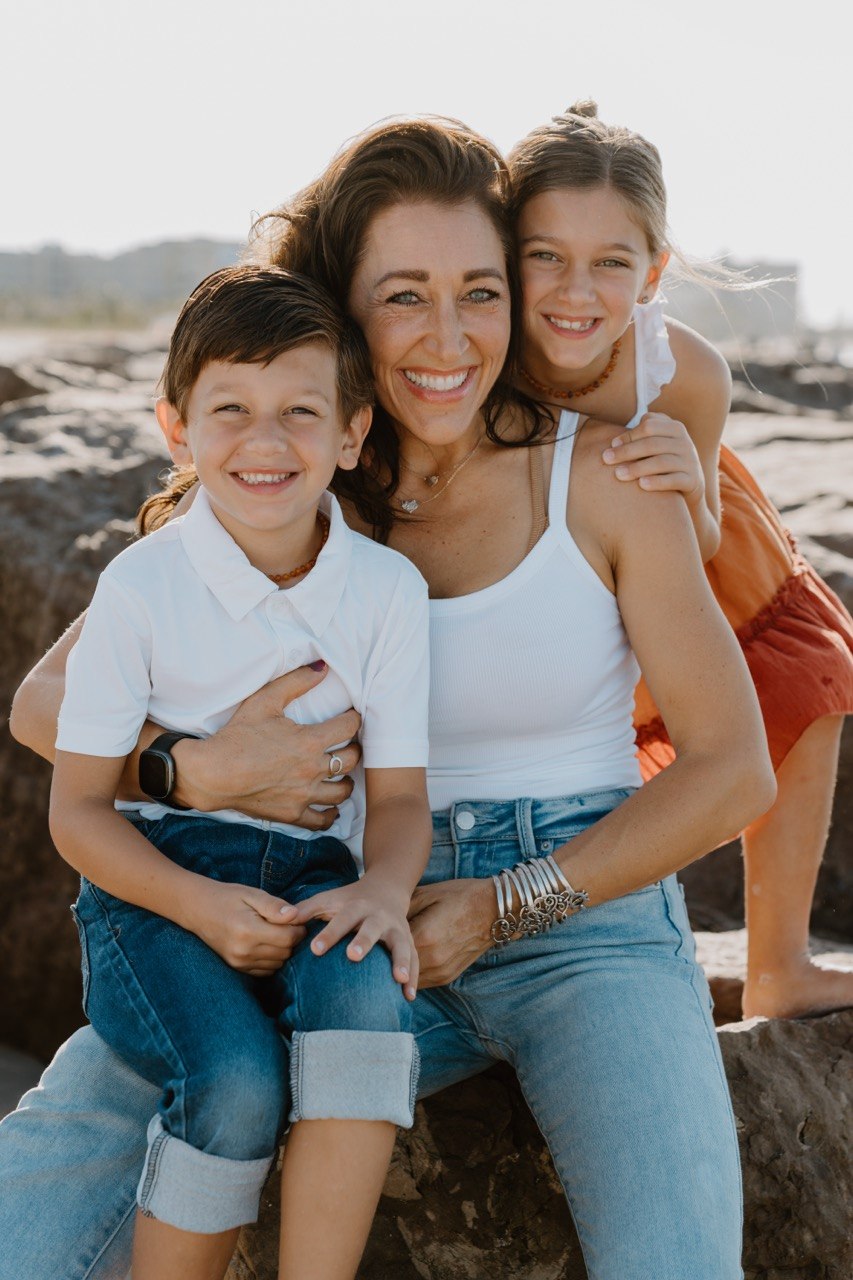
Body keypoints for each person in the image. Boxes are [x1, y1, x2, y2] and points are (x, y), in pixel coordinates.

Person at [3, 117, 776, 1280]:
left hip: (583, 922)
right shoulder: (295, 479)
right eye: (403, 295)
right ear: (343, 312)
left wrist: (502, 905)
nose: (449, 336)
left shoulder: (604, 475)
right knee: (44, 1206)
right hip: (330, 906)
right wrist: (188, 768)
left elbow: (732, 766)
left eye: (479, 290)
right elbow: (44, 700)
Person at [49, 264, 433, 1280]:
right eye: (231, 410)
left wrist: (384, 891)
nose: (266, 442)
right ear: (176, 425)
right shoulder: (140, 585)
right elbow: (81, 811)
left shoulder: (386, 590)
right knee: (234, 1078)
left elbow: (397, 799)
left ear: (352, 432)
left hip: (321, 874)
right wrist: (200, 903)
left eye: (301, 411)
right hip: (153, 886)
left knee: (363, 1013)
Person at [506, 100, 853, 1020]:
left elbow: (700, 536)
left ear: (653, 271)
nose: (575, 293)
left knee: (801, 683)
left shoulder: (679, 371)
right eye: (545, 256)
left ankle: (779, 960)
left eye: (611, 264)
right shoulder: (478, 350)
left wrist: (688, 492)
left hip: (687, 556)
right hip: (542, 558)